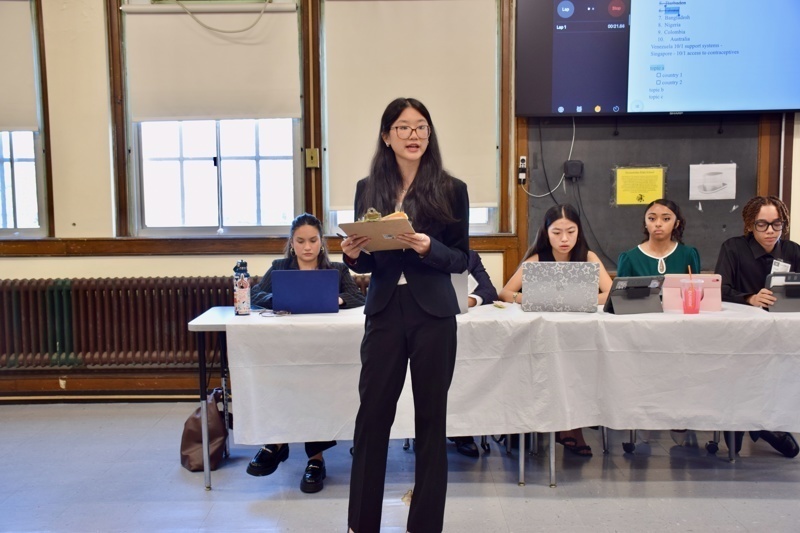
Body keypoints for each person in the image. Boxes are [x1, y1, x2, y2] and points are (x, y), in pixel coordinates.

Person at [341, 97, 469, 533]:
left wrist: (428, 246)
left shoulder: (451, 189)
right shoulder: (368, 187)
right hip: (383, 310)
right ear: (386, 136)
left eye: (421, 127)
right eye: (403, 127)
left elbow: (461, 259)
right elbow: (367, 264)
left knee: (432, 421)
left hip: (433, 313)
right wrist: (352, 255)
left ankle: (425, 525)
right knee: (372, 418)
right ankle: (361, 524)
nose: (413, 135)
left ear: (429, 135)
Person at [245, 213, 365, 493]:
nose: (307, 247)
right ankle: (278, 441)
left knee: (315, 389)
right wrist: (280, 299)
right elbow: (254, 297)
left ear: (321, 242)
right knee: (281, 384)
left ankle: (314, 458)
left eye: (313, 241)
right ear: (292, 243)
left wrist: (338, 298)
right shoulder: (279, 268)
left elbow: (360, 297)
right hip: (285, 350)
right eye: (301, 241)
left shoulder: (335, 269)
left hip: (325, 351)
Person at [499, 203, 612, 457]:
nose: (564, 239)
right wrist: (527, 299)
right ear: (546, 232)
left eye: (571, 232)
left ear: (579, 232)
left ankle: (574, 427)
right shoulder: (537, 259)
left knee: (579, 373)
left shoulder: (588, 257)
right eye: (557, 232)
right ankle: (553, 427)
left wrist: (580, 300)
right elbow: (505, 292)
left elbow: (610, 292)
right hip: (545, 335)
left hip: (581, 334)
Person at [714, 195, 800, 458]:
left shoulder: (793, 250)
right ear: (750, 225)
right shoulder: (733, 248)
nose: (771, 231)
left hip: (782, 334)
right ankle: (742, 424)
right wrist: (749, 298)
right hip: (741, 335)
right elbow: (720, 288)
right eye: (762, 224)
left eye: (777, 224)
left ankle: (768, 425)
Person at [448, 250, 499, 458]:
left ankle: (463, 431)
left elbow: (489, 290)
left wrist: (468, 300)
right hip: (427, 324)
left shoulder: (470, 256)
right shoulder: (418, 252)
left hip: (465, 329)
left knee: (467, 371)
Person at [617, 198, 700, 277]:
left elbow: (696, 288)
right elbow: (622, 291)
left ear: (676, 223)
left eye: (666, 219)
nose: (658, 224)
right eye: (652, 218)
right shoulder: (629, 258)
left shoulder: (688, 255)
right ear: (645, 222)